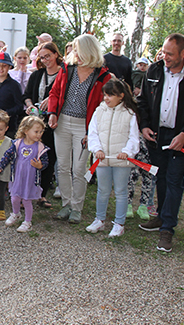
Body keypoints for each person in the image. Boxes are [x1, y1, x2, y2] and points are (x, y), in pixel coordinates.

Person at [137, 33, 184, 253]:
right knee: (160, 175)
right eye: (164, 52)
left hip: (181, 138)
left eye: (170, 53)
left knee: (174, 179)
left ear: (183, 54)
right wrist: (144, 126)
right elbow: (143, 102)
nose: (165, 57)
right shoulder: (154, 70)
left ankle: (168, 228)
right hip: (157, 136)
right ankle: (160, 216)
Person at [48, 34, 112, 224]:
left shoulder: (103, 75)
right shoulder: (68, 69)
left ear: (90, 51)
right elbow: (55, 92)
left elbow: (103, 107)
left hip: (84, 127)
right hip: (63, 123)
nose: (75, 53)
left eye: (79, 50)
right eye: (75, 50)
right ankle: (66, 204)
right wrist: (53, 112)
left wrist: (92, 132)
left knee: (79, 168)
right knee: (63, 166)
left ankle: (77, 207)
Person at [85, 79, 140, 237]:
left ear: (121, 96)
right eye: (105, 95)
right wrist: (97, 149)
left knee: (121, 191)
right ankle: (99, 220)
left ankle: (119, 224)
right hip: (103, 159)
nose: (106, 98)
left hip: (121, 161)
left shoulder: (129, 114)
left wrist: (127, 152)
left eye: (110, 95)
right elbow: (93, 132)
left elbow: (134, 137)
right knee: (102, 190)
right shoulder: (99, 111)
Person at [23, 41, 65, 208]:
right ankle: (27, 192)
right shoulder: (36, 75)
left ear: (56, 54)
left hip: (54, 123)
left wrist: (53, 99)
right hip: (36, 122)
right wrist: (30, 105)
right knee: (30, 157)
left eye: (48, 56)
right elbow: (26, 95)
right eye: (42, 57)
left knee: (48, 157)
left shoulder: (64, 74)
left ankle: (42, 194)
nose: (45, 60)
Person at [0, 116, 49, 233]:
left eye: (41, 132)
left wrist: (40, 165)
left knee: (27, 200)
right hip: (17, 178)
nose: (39, 134)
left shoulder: (40, 147)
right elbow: (7, 156)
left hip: (30, 179)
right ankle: (15, 213)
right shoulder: (17, 144)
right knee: (14, 198)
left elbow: (45, 162)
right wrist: (0, 167)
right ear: (26, 130)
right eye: (36, 131)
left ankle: (27, 222)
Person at [0, 51, 23, 135]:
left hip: (9, 126)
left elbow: (19, 106)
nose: (1, 69)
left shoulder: (15, 85)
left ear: (10, 67)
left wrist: (7, 112)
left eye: (4, 66)